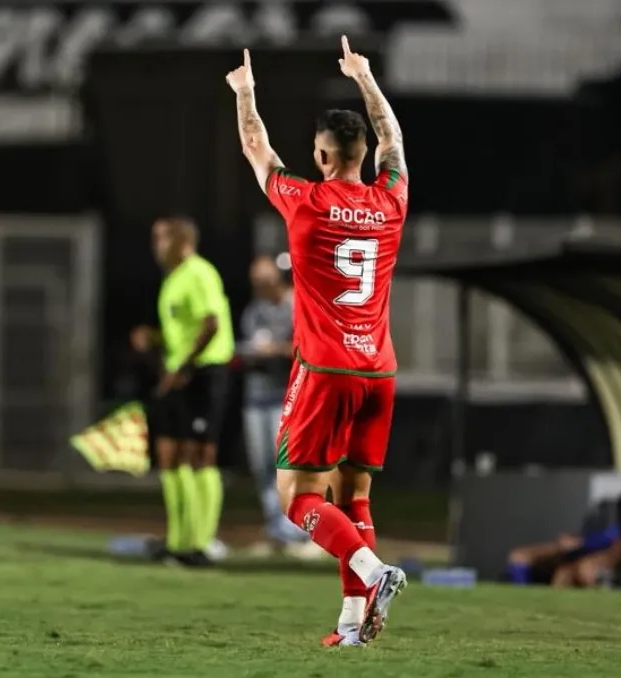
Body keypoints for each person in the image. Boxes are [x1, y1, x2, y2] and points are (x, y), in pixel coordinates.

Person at [225, 37, 409, 646]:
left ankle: (371, 570)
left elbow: (257, 148)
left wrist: (245, 93)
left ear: (322, 155)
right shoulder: (391, 200)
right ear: (364, 154)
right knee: (354, 495)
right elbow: (395, 140)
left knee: (296, 498)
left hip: (325, 367)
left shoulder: (304, 202)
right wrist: (364, 78)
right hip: (379, 370)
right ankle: (353, 625)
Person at [132, 216, 235, 567]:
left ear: (183, 242)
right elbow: (184, 330)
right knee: (170, 453)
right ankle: (178, 541)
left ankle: (201, 544)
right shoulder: (173, 279)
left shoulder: (199, 272)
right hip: (180, 374)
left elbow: (211, 325)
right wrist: (156, 339)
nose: (156, 246)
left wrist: (186, 368)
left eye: (162, 239)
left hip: (205, 372)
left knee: (200, 454)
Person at [239, 256, 322, 558]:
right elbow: (246, 344)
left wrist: (274, 349)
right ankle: (277, 529)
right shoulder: (254, 309)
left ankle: (300, 531)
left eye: (265, 278)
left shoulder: (295, 305)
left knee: (286, 464)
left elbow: (308, 347)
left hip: (286, 395)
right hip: (256, 395)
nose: (260, 284)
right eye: (256, 279)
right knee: (261, 465)